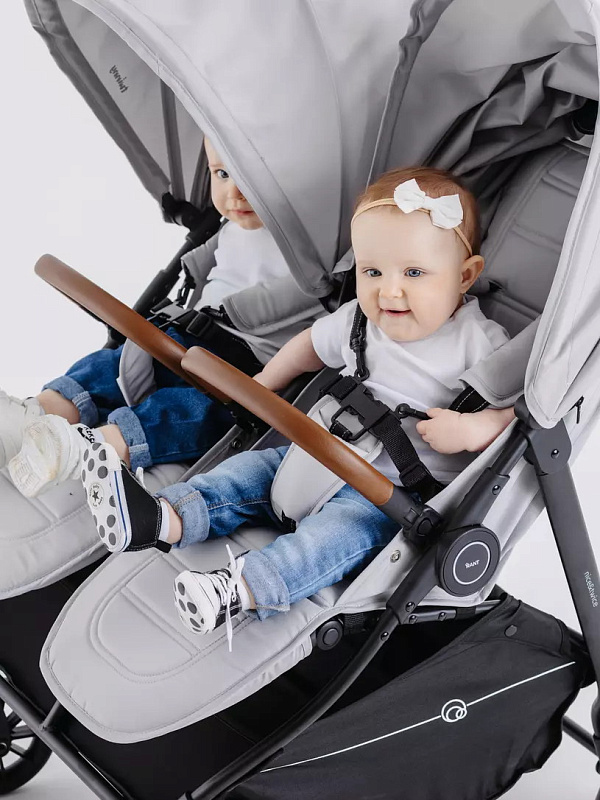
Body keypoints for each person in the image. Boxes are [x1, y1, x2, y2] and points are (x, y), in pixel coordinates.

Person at [48, 166, 515, 647]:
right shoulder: (359, 318)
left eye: (414, 273)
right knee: (242, 475)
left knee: (332, 540)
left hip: (386, 495)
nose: (389, 290)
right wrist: (263, 386)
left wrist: (474, 429)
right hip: (314, 452)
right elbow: (308, 345)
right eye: (372, 272)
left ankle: (239, 589)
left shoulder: (482, 343)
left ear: (465, 276)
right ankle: (162, 517)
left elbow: (519, 412)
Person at [3, 138, 319, 498]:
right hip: (178, 338)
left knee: (187, 412)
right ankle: (34, 416)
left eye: (251, 177)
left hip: (238, 370)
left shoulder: (315, 247)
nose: (235, 193)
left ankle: (90, 449)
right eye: (222, 174)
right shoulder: (227, 229)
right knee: (108, 366)